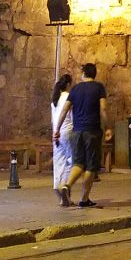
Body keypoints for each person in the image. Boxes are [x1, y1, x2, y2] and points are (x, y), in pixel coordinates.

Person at [58, 63, 107, 208]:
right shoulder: (98, 88)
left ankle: (67, 185)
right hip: (92, 131)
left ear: (84, 73)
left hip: (76, 131)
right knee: (91, 167)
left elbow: (65, 109)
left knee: (78, 163)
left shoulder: (75, 89)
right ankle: (84, 199)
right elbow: (103, 108)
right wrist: (109, 126)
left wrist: (57, 128)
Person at [51, 73, 73, 207]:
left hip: (56, 133)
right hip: (68, 131)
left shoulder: (55, 99)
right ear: (69, 85)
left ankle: (59, 190)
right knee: (72, 161)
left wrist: (55, 132)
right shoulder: (70, 97)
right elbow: (72, 115)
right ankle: (65, 186)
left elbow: (53, 118)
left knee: (59, 161)